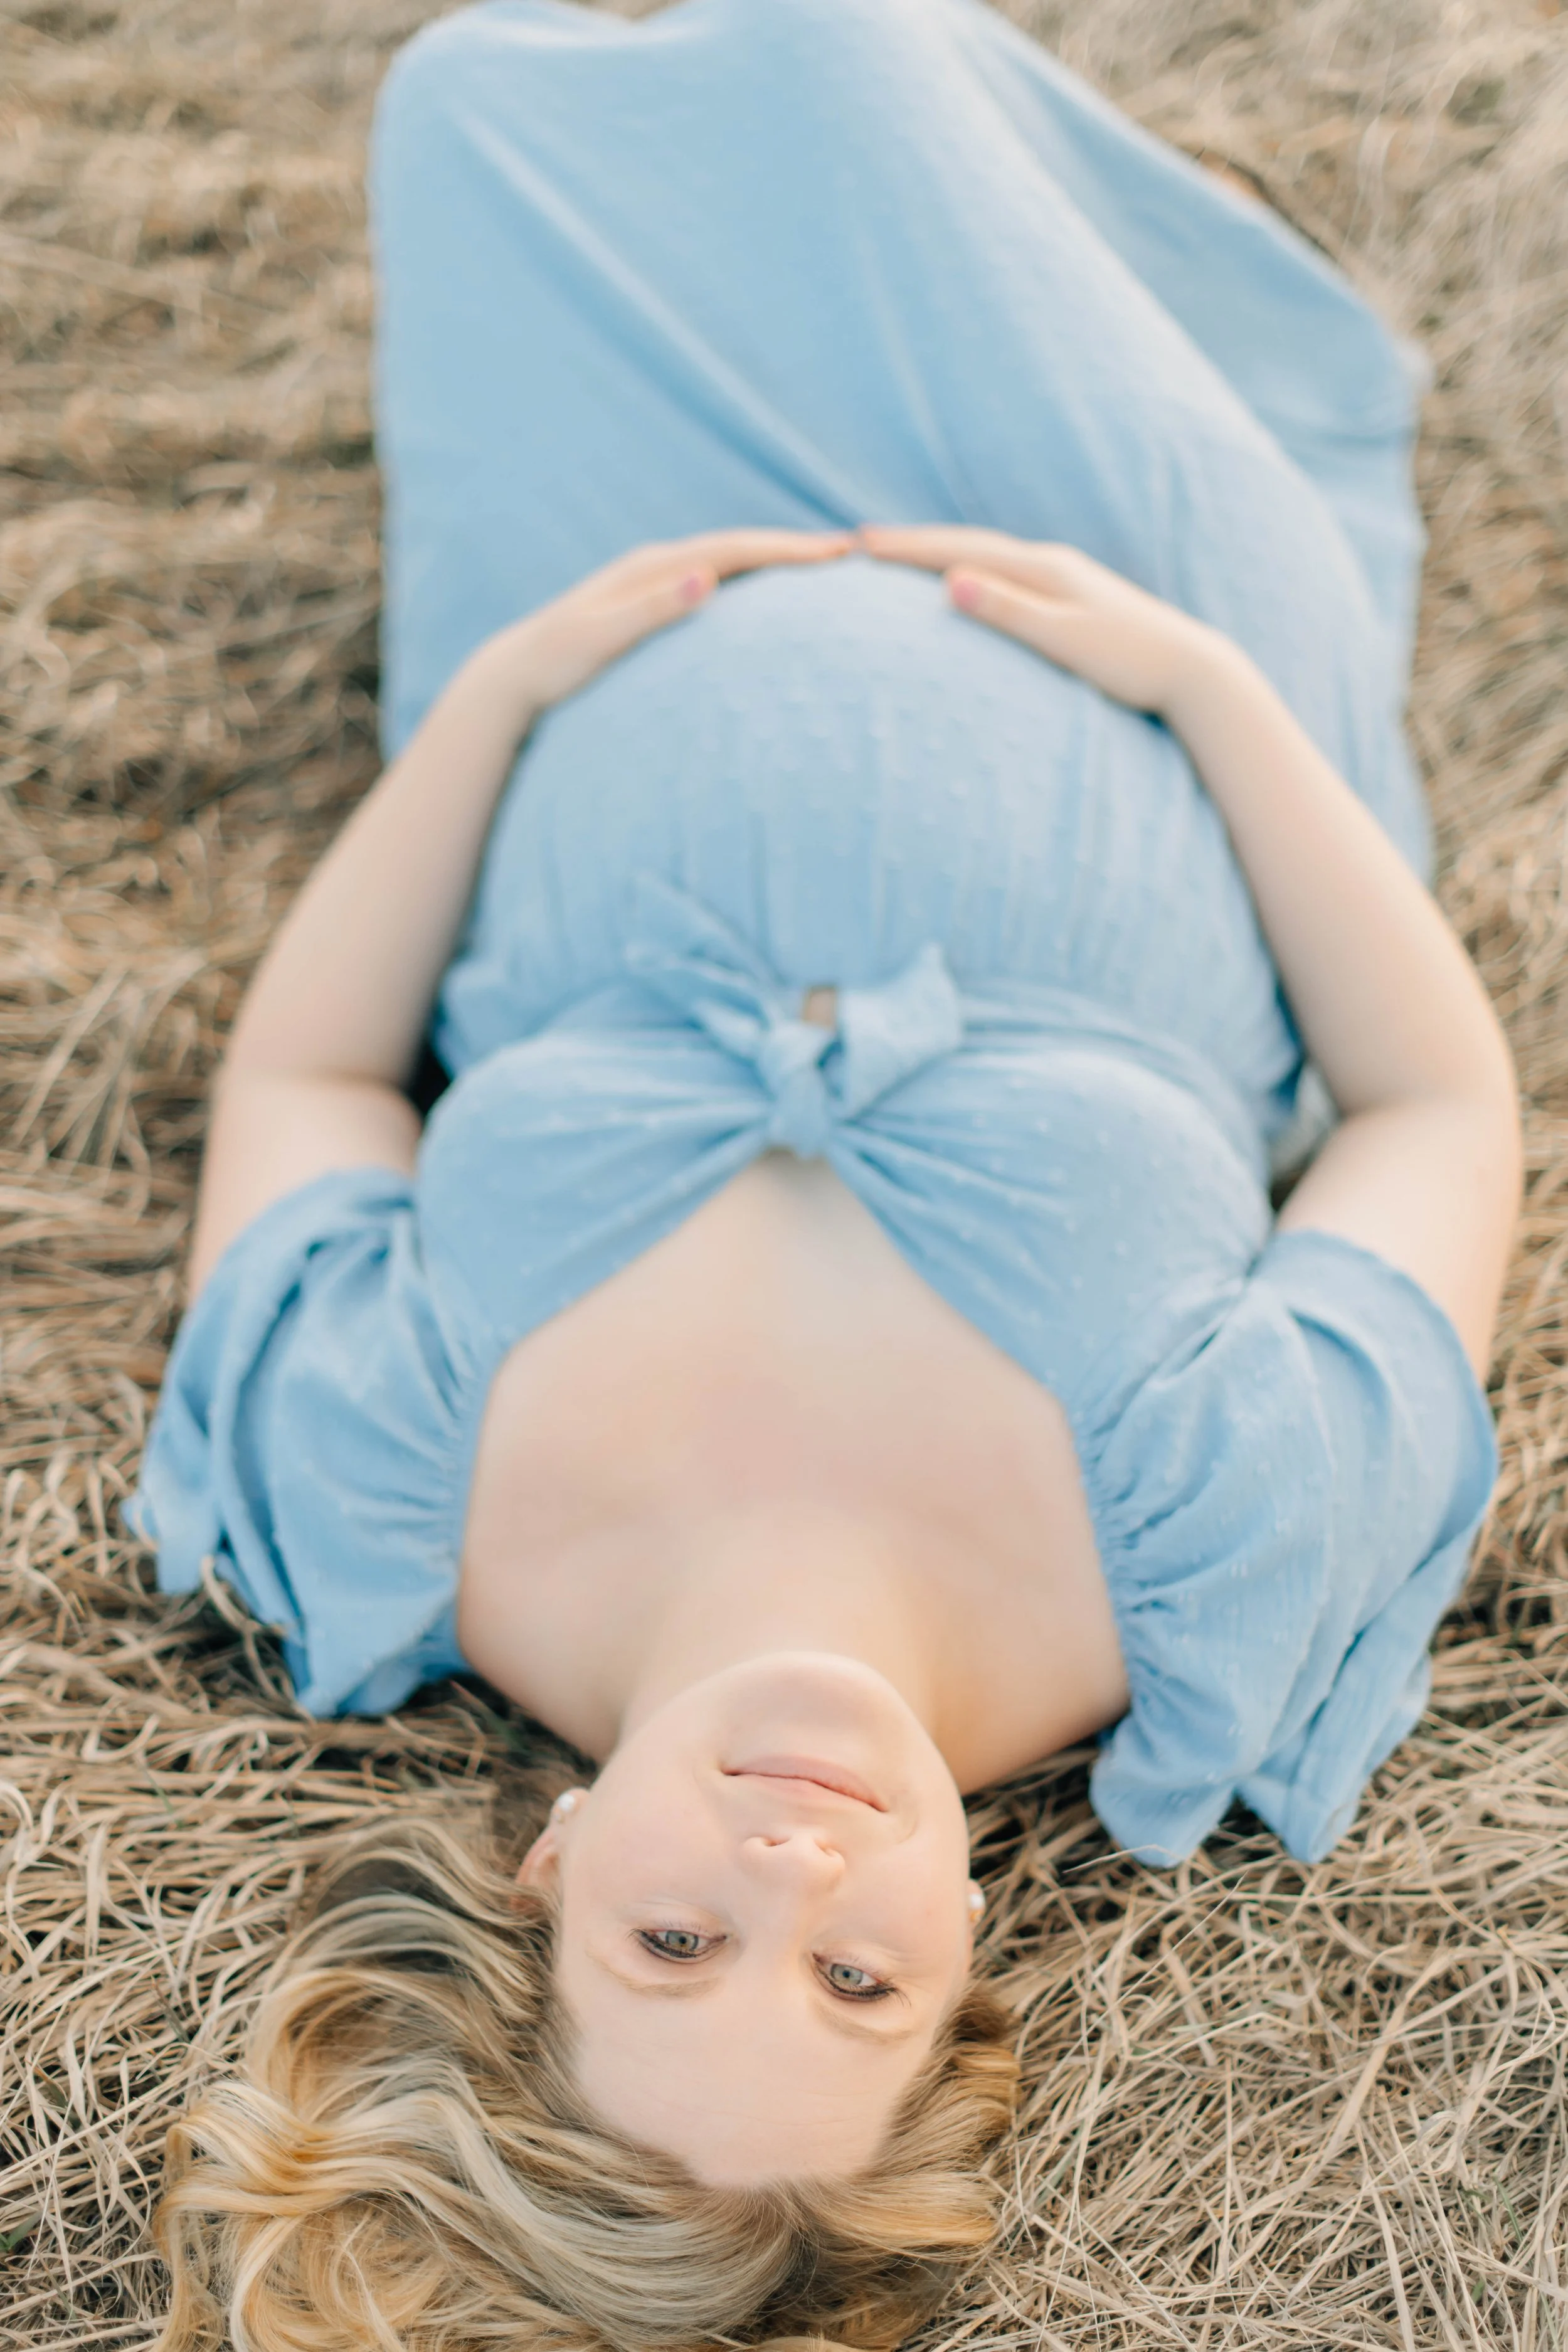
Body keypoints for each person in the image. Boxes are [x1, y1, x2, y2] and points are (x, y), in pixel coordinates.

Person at [135, 0, 1520, 2344]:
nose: (797, 1864)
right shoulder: (1197, 1567)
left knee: (475, 96)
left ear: (548, 1870)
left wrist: (498, 702)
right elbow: (1432, 1115)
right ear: (971, 1961)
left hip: (614, 599)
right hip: (1126, 623)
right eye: (855, 1975)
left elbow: (314, 1084)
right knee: (838, 48)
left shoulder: (390, 1510)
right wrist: (1207, 688)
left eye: (680, 1943)